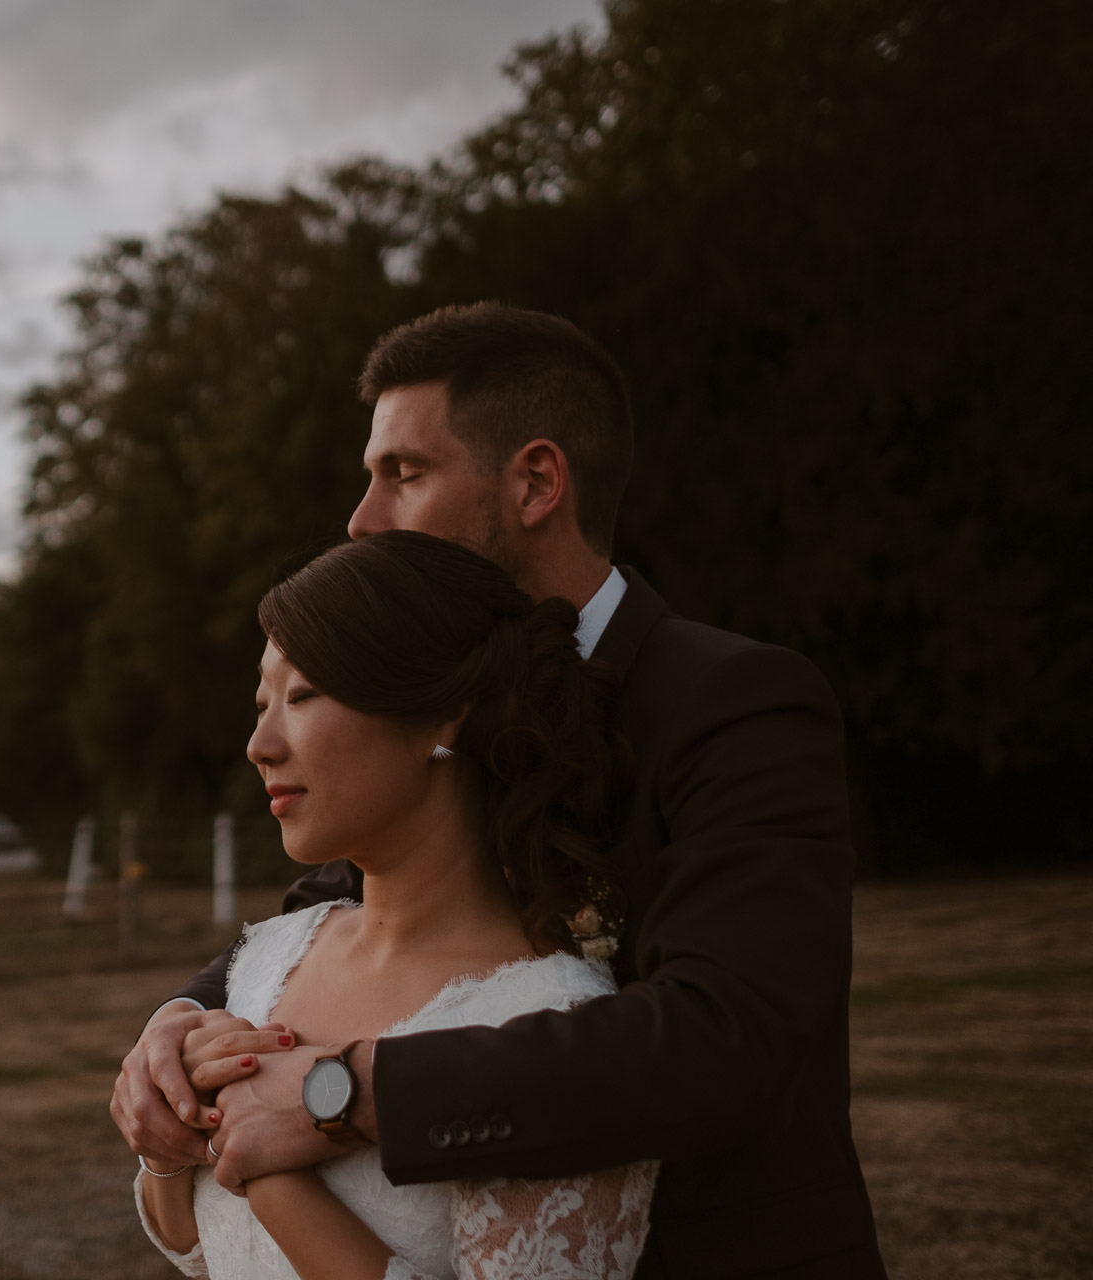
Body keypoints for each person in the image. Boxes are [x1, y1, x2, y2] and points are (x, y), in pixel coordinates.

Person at [111, 303, 885, 1278]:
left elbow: (725, 1033)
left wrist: (334, 1091)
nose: (360, 518)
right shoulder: (427, 717)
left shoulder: (733, 700)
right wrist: (173, 1029)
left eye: (403, 472)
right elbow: (341, 910)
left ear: (533, 481)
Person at [136, 530, 657, 1278]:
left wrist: (264, 1169)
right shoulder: (277, 954)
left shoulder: (551, 1028)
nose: (259, 742)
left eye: (304, 695)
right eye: (262, 703)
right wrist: (167, 1143)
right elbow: (196, 1246)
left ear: (443, 715)